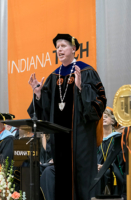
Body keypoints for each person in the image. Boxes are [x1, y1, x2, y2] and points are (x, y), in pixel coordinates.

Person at [28, 34, 107, 200]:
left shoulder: (86, 72)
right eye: (57, 47)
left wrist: (81, 89)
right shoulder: (53, 77)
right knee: (62, 182)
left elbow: (99, 103)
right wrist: (38, 95)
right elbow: (45, 111)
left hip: (81, 139)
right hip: (60, 142)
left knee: (82, 180)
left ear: (74, 49)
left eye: (63, 46)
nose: (59, 50)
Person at [96, 107, 125, 196]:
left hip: (113, 170)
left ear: (113, 121)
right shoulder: (96, 139)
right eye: (101, 117)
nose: (103, 118)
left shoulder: (117, 138)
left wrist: (105, 166)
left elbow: (120, 161)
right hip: (97, 169)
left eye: (106, 116)